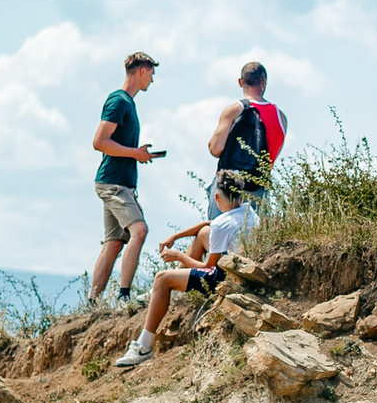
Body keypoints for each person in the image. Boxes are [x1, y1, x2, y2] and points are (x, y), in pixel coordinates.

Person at [113, 172, 255, 371]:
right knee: (203, 234)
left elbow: (209, 267)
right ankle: (172, 287)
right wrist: (176, 236)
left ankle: (143, 347)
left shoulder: (221, 226)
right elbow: (209, 225)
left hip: (225, 278)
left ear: (216, 198)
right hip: (243, 269)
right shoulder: (248, 211)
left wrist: (178, 256)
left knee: (162, 278)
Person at [89, 52, 158, 305]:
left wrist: (138, 154)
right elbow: (99, 141)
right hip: (114, 183)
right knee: (139, 231)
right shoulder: (118, 101)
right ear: (142, 71)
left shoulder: (128, 103)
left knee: (115, 242)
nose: (152, 80)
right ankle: (124, 296)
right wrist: (135, 154)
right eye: (151, 74)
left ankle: (92, 302)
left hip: (119, 182)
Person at [207, 62, 285, 216]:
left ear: (240, 82)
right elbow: (270, 158)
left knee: (218, 228)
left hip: (228, 185)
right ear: (264, 82)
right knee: (255, 230)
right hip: (259, 187)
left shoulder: (234, 110)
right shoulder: (280, 117)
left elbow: (216, 149)